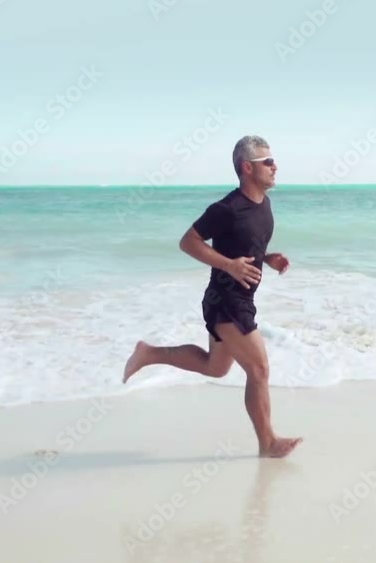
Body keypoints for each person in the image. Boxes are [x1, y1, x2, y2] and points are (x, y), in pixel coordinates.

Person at [122, 135, 302, 458]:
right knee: (259, 371)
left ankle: (148, 353)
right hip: (227, 301)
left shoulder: (264, 205)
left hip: (238, 299)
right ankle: (268, 442)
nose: (275, 166)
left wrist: (268, 258)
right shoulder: (227, 208)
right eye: (268, 162)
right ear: (247, 168)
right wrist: (229, 266)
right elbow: (188, 242)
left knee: (215, 367)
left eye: (273, 160)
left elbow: (245, 248)